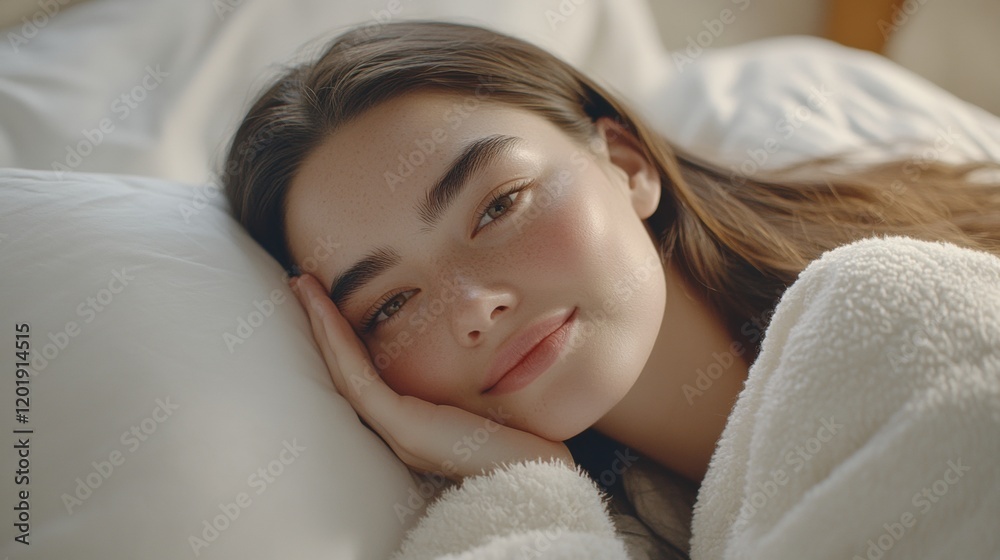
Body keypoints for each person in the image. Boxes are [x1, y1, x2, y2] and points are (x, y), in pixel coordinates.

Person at [222, 21, 1000, 485]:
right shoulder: (626, 528)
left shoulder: (899, 300)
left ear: (626, 166)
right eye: (390, 305)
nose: (471, 306)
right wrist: (526, 479)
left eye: (497, 206)